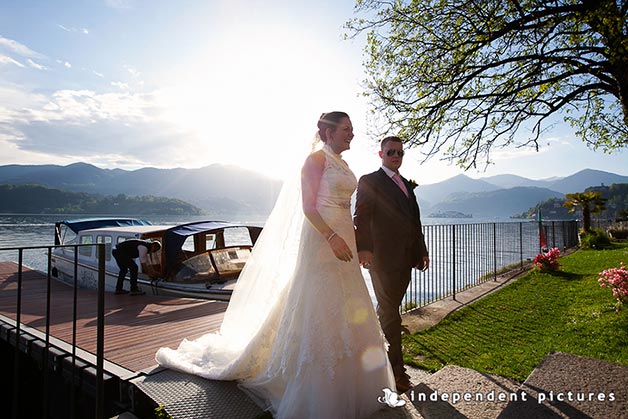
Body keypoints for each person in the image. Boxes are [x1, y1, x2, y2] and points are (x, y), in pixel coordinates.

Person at [156, 112, 395, 419]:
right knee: (319, 302)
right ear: (329, 132)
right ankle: (315, 386)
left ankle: (357, 380)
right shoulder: (315, 161)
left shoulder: (344, 164)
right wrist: (332, 236)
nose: (352, 133)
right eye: (346, 129)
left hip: (344, 236)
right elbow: (309, 206)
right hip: (322, 238)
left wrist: (353, 239)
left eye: (352, 129)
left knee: (349, 303)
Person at [354, 136, 430, 393]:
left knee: (388, 311)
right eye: (390, 152)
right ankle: (397, 373)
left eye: (399, 152)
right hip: (382, 259)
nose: (395, 156)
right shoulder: (369, 181)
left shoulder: (407, 185)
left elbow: (414, 222)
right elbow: (361, 216)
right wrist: (364, 248)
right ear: (381, 154)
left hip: (406, 259)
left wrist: (422, 251)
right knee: (389, 312)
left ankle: (373, 351)